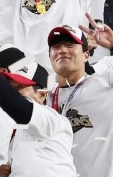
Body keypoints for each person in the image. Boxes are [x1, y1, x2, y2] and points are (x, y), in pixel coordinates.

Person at [0, 16, 77, 177]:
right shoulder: (13, 134)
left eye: (20, 87)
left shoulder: (53, 120)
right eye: (10, 87)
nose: (12, 93)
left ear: (42, 95)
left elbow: (12, 102)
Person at [46, 24, 113, 176]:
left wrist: (115, 45)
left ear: (86, 55)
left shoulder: (107, 81)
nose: (62, 50)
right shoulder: (44, 98)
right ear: (50, 58)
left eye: (70, 45)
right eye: (56, 47)